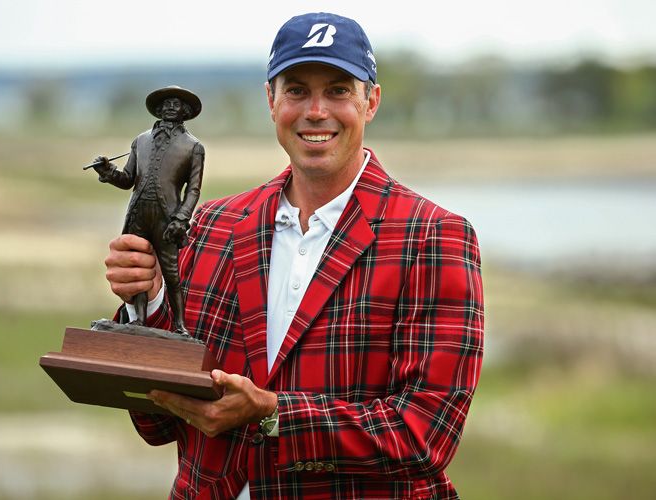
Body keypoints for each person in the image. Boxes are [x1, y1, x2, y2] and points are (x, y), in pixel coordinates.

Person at [104, 12, 484, 499]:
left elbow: (425, 434)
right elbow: (156, 426)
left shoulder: (435, 237)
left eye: (339, 90)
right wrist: (151, 301)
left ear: (371, 102)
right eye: (297, 90)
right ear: (271, 101)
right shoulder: (210, 226)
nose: (316, 110)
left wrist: (273, 413)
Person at [93, 86, 204, 334]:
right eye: (166, 104)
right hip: (138, 213)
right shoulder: (140, 141)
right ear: (158, 109)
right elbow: (127, 179)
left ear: (185, 112)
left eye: (176, 104)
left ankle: (180, 326)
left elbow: (193, 191)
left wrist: (181, 218)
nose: (170, 108)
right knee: (138, 269)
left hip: (168, 218)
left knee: (172, 273)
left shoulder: (193, 147)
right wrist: (108, 171)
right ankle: (139, 320)